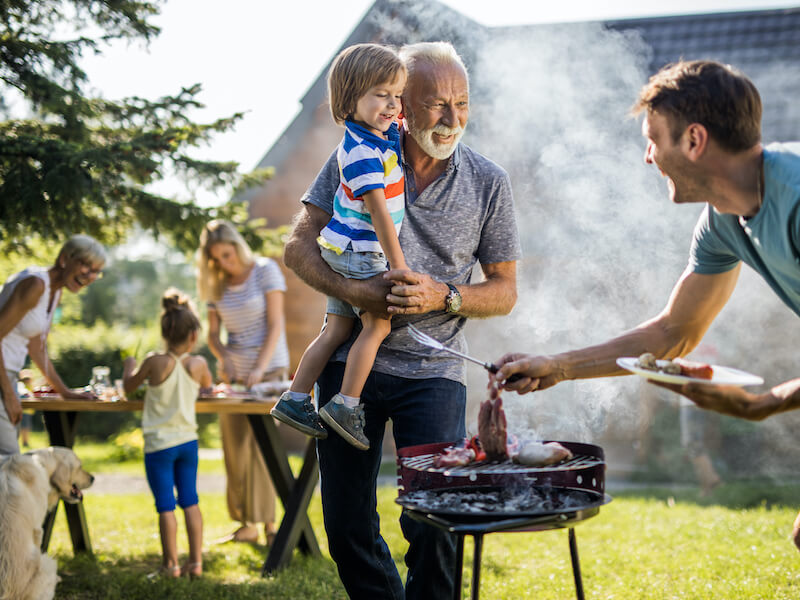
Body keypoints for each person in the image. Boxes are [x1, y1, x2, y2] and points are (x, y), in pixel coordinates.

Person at [490, 60, 800, 548]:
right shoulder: (723, 223)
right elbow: (675, 332)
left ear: (694, 140)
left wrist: (765, 404)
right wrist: (560, 366)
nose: (647, 157)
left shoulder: (797, 200)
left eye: (652, 138)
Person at [283, 41, 521, 599]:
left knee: (434, 526)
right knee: (346, 529)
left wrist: (444, 295)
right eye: (436, 103)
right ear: (399, 103)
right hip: (348, 366)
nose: (452, 117)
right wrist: (356, 291)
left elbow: (505, 291)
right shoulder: (354, 153)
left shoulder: (489, 181)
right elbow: (297, 247)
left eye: (461, 103)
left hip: (434, 375)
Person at [270, 43, 408, 451]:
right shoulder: (363, 152)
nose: (393, 104)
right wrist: (398, 266)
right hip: (362, 251)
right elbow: (381, 215)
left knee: (336, 328)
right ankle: (345, 404)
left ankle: (296, 398)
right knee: (377, 324)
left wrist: (398, 120)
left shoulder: (373, 136)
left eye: (397, 95)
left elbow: (397, 130)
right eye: (381, 94)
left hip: (341, 248)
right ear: (350, 99)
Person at [196, 219, 289, 545]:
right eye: (216, 259)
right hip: (234, 378)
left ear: (237, 246)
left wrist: (259, 369)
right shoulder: (215, 282)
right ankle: (245, 525)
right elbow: (211, 334)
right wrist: (223, 356)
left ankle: (269, 526)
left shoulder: (265, 270)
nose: (224, 263)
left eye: (227, 255)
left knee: (261, 450)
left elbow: (276, 324)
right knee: (234, 449)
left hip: (268, 374)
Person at [123, 288, 212, 578]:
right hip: (188, 442)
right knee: (190, 500)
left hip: (159, 446)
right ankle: (196, 563)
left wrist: (128, 367)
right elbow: (208, 388)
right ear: (193, 336)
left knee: (165, 505)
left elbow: (128, 388)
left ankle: (170, 565)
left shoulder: (154, 361)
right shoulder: (198, 365)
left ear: (165, 331)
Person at [0, 234, 106, 455]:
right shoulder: (35, 284)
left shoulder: (54, 291)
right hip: (3, 379)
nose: (90, 276)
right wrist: (9, 394)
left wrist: (65, 392)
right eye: (86, 266)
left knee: (8, 466)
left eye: (96, 271)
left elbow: (37, 349)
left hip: (8, 376)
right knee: (9, 464)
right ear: (65, 259)